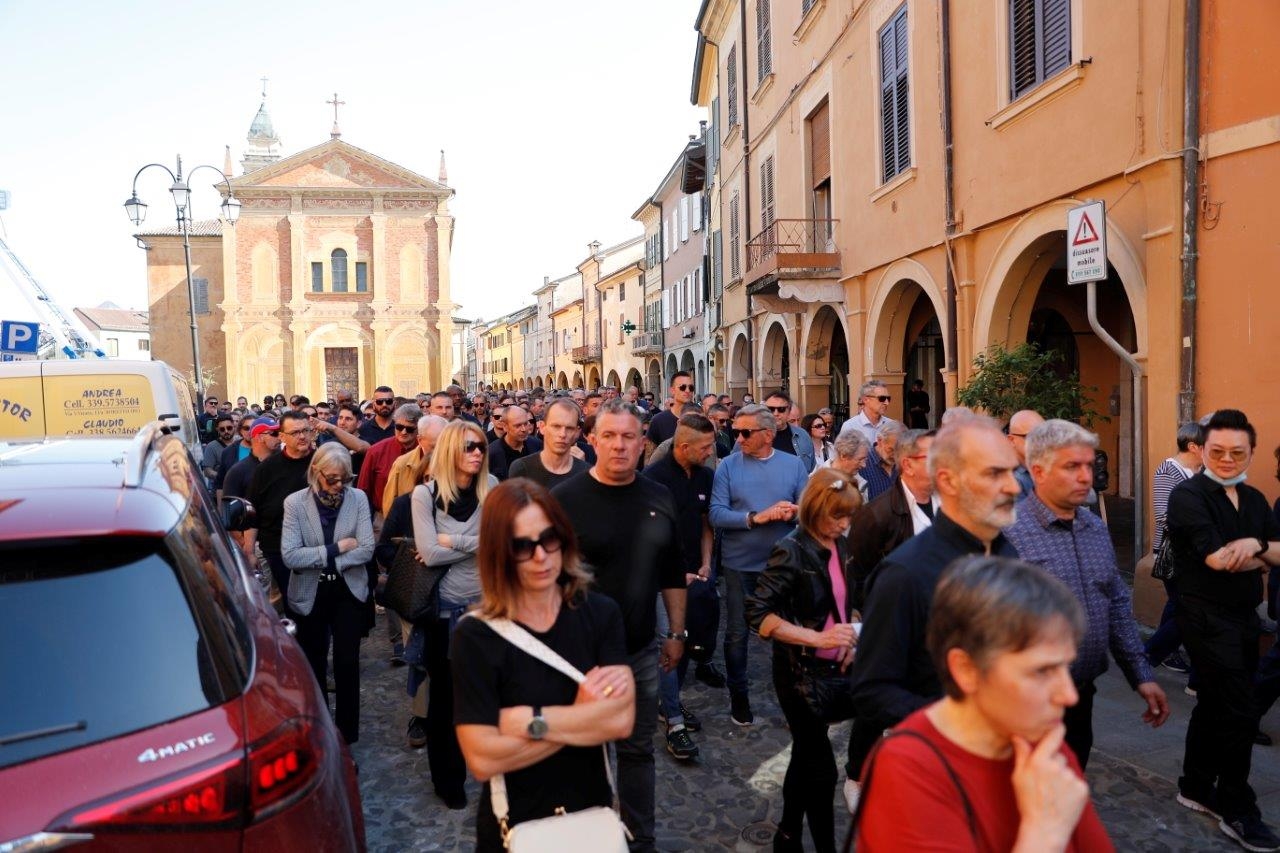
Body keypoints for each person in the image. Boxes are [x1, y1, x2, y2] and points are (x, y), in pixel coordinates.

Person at [855, 555, 1113, 851]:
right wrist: (1046, 832)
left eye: (1065, 667)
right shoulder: (906, 771)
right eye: (1042, 671)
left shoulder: (1042, 745)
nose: (1068, 695)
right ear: (966, 669)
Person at [846, 414, 1021, 811]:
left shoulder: (1005, 551)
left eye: (1011, 471)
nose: (1012, 486)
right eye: (993, 473)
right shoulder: (897, 559)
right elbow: (873, 690)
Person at [452, 479, 635, 852]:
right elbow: (482, 759)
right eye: (523, 546)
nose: (541, 556)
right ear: (499, 553)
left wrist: (530, 722)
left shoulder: (600, 614)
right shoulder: (476, 637)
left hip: (591, 821)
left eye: (549, 539)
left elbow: (619, 721)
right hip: (516, 827)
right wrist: (584, 715)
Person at [551, 399, 686, 851]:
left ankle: (639, 840)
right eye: (609, 435)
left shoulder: (657, 496)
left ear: (643, 442)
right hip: (578, 657)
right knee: (583, 756)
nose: (620, 445)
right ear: (592, 441)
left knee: (636, 753)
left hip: (640, 651)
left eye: (629, 436)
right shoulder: (564, 501)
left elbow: (671, 571)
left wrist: (676, 633)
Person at [1004, 420, 1169, 769]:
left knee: (1072, 778)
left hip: (1083, 692)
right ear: (1038, 472)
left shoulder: (1093, 527)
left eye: (1089, 466)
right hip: (1027, 704)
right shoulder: (1007, 534)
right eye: (1071, 467)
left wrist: (1140, 674)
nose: (1085, 477)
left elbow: (1116, 602)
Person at [1168, 409, 1280, 851]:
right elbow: (1217, 558)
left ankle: (1194, 785)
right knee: (1238, 710)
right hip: (1203, 616)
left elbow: (1272, 551)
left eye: (1238, 452)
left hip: (1243, 615)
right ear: (1202, 450)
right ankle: (1238, 807)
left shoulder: (1253, 499)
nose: (1228, 459)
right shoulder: (1187, 496)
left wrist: (1254, 545)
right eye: (1218, 451)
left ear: (1250, 451)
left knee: (1215, 705)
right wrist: (1264, 553)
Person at [747, 467, 862, 852]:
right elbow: (758, 613)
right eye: (838, 516)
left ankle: (788, 834)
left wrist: (849, 638)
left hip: (835, 668)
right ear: (815, 509)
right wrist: (816, 638)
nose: (845, 524)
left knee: (805, 756)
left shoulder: (840, 544)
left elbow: (845, 604)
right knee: (823, 769)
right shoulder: (791, 549)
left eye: (849, 516)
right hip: (799, 676)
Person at [410, 420, 497, 809]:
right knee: (445, 702)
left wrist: (456, 540)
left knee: (486, 696)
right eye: (468, 447)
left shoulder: (491, 489)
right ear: (449, 451)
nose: (477, 452)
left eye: (480, 446)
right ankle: (449, 779)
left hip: (488, 609)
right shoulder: (423, 496)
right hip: (443, 612)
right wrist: (478, 544)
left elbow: (502, 542)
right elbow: (429, 553)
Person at [710, 403, 809, 726]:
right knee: (737, 633)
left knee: (785, 632)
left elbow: (806, 513)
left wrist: (791, 513)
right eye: (735, 432)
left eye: (745, 433)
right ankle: (739, 697)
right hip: (739, 564)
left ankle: (792, 693)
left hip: (781, 566)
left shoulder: (793, 466)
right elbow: (717, 514)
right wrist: (757, 517)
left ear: (768, 435)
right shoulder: (727, 467)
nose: (737, 438)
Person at [281, 442, 375, 745]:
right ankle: (322, 735)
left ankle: (347, 738)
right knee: (315, 664)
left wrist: (328, 561)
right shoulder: (295, 504)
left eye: (345, 479)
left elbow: (366, 548)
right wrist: (335, 549)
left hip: (348, 591)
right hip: (310, 593)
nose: (339, 486)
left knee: (347, 664)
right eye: (332, 479)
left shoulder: (357, 497)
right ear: (316, 472)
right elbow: (291, 556)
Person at [642, 412, 717, 761]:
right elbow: (650, 538)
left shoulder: (705, 476)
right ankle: (673, 721)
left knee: (689, 641)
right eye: (705, 447)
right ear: (684, 446)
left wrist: (705, 563)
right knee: (670, 642)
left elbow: (706, 525)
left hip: (697, 574)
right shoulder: (654, 478)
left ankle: (671, 701)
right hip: (664, 579)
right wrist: (676, 574)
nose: (710, 452)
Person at [846, 429, 938, 610]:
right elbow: (858, 579)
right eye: (933, 457)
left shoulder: (951, 504)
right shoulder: (876, 515)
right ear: (908, 465)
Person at [1145, 421, 1204, 675]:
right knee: (1187, 609)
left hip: (1196, 554)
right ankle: (1148, 655)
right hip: (1175, 554)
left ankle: (1163, 653)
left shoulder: (1201, 472)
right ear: (1193, 446)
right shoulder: (1168, 471)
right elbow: (1164, 516)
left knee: (1179, 605)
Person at [244, 410, 317, 612]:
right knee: (291, 602)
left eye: (305, 431)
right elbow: (252, 512)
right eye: (295, 433)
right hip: (278, 548)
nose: (302, 436)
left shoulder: (322, 462)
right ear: (282, 436)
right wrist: (249, 551)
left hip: (318, 546)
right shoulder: (266, 469)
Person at [508, 398, 589, 488]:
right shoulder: (522, 468)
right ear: (542, 427)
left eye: (569, 428)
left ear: (577, 432)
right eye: (556, 426)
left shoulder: (586, 472)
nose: (562, 434)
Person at [382, 414, 447, 515]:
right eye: (434, 447)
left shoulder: (455, 462)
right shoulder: (402, 464)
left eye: (445, 445)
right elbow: (389, 507)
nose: (440, 451)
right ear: (420, 440)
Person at [763, 391, 816, 473]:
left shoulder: (803, 435)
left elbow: (812, 468)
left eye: (781, 409)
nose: (776, 413)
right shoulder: (750, 436)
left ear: (789, 411)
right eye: (771, 409)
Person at [646, 371, 694, 459]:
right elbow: (648, 457)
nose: (688, 391)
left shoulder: (699, 419)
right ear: (672, 390)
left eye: (691, 387)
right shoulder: (658, 421)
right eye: (683, 387)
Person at [488, 405, 542, 480]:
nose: (523, 429)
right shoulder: (491, 453)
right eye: (518, 425)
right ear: (505, 427)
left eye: (526, 424)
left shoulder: (537, 445)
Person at [839, 382, 897, 447]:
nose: (886, 403)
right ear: (866, 400)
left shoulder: (892, 426)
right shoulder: (850, 426)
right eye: (882, 398)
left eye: (888, 399)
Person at [1007, 409, 1046, 500]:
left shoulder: (1049, 466)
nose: (1041, 442)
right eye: (1032, 437)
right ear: (1011, 440)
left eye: (1044, 436)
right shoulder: (1008, 478)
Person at [860, 421, 903, 502]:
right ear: (880, 441)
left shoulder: (904, 463)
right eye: (891, 450)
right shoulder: (862, 464)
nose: (896, 456)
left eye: (900, 451)